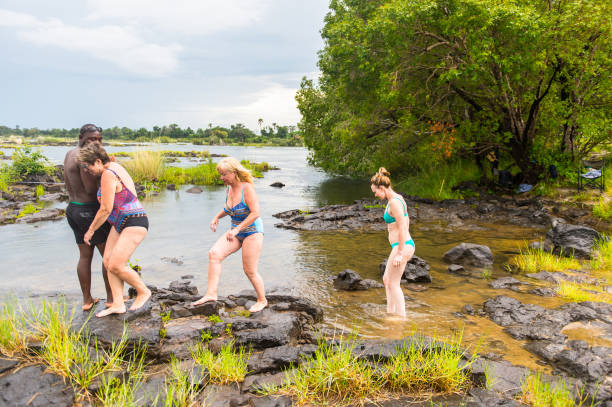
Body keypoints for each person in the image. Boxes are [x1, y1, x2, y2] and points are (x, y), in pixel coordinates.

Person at [76, 142, 151, 317]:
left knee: (117, 264)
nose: (87, 171)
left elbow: (105, 209)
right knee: (108, 261)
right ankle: (118, 303)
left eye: (87, 167)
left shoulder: (108, 174)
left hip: (134, 221)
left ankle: (143, 291)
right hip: (121, 222)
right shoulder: (114, 166)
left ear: (97, 161)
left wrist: (90, 230)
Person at [192, 157, 267, 312]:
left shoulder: (247, 188)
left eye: (224, 174)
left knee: (249, 270)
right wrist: (216, 217)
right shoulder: (229, 188)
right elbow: (228, 208)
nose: (221, 178)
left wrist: (237, 229)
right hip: (235, 233)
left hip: (252, 232)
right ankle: (211, 294)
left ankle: (262, 300)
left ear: (233, 173)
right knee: (214, 254)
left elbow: (255, 213)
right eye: (220, 174)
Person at [63, 124, 113, 311]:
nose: (96, 142)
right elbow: (91, 189)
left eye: (99, 139)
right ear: (81, 137)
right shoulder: (86, 158)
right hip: (89, 211)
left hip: (73, 209)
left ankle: (87, 300)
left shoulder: (70, 153)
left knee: (85, 255)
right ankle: (111, 298)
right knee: (107, 256)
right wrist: (104, 175)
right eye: (92, 139)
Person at [370, 167, 415, 317]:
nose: (375, 195)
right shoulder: (395, 199)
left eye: (375, 192)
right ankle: (390, 313)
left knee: (393, 283)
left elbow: (403, 227)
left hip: (402, 246)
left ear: (382, 188)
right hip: (401, 245)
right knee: (387, 280)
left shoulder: (395, 202)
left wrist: (400, 253)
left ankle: (401, 318)